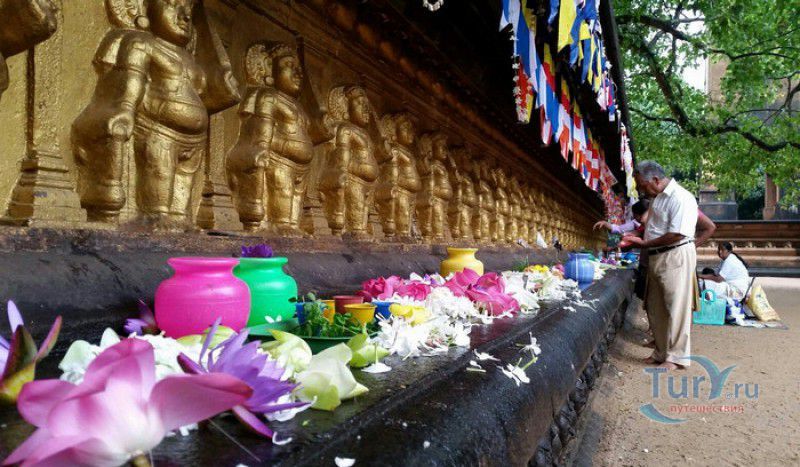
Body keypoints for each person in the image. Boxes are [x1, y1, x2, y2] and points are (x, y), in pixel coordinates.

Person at [623, 161, 697, 370]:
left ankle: (677, 357)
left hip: (675, 254)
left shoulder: (681, 198)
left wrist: (644, 244)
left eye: (642, 185)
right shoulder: (657, 199)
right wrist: (636, 237)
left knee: (676, 306)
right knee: (655, 306)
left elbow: (677, 234)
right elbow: (654, 229)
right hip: (656, 255)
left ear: (655, 180)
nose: (641, 190)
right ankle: (662, 352)